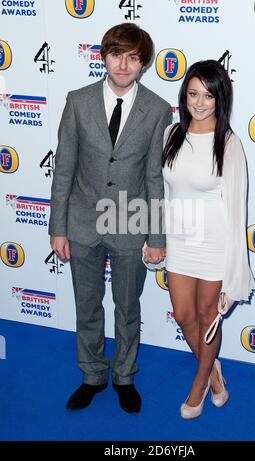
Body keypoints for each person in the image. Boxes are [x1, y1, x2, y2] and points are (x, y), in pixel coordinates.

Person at [49, 23, 172, 413]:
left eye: (133, 57)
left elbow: (154, 176)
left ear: (143, 63)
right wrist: (58, 227)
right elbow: (64, 168)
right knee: (87, 304)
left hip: (130, 223)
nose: (123, 64)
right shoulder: (77, 101)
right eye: (117, 54)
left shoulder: (157, 109)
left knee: (127, 306)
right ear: (103, 55)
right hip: (82, 222)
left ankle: (124, 375)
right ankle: (91, 374)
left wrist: (156, 236)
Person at [162, 60, 255, 419]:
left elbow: (236, 211)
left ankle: (200, 385)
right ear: (184, 94)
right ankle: (213, 367)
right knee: (185, 316)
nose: (199, 102)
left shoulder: (229, 144)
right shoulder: (172, 134)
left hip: (214, 244)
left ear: (220, 99)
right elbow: (166, 193)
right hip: (181, 241)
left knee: (207, 316)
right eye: (193, 93)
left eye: (208, 95)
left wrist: (235, 269)